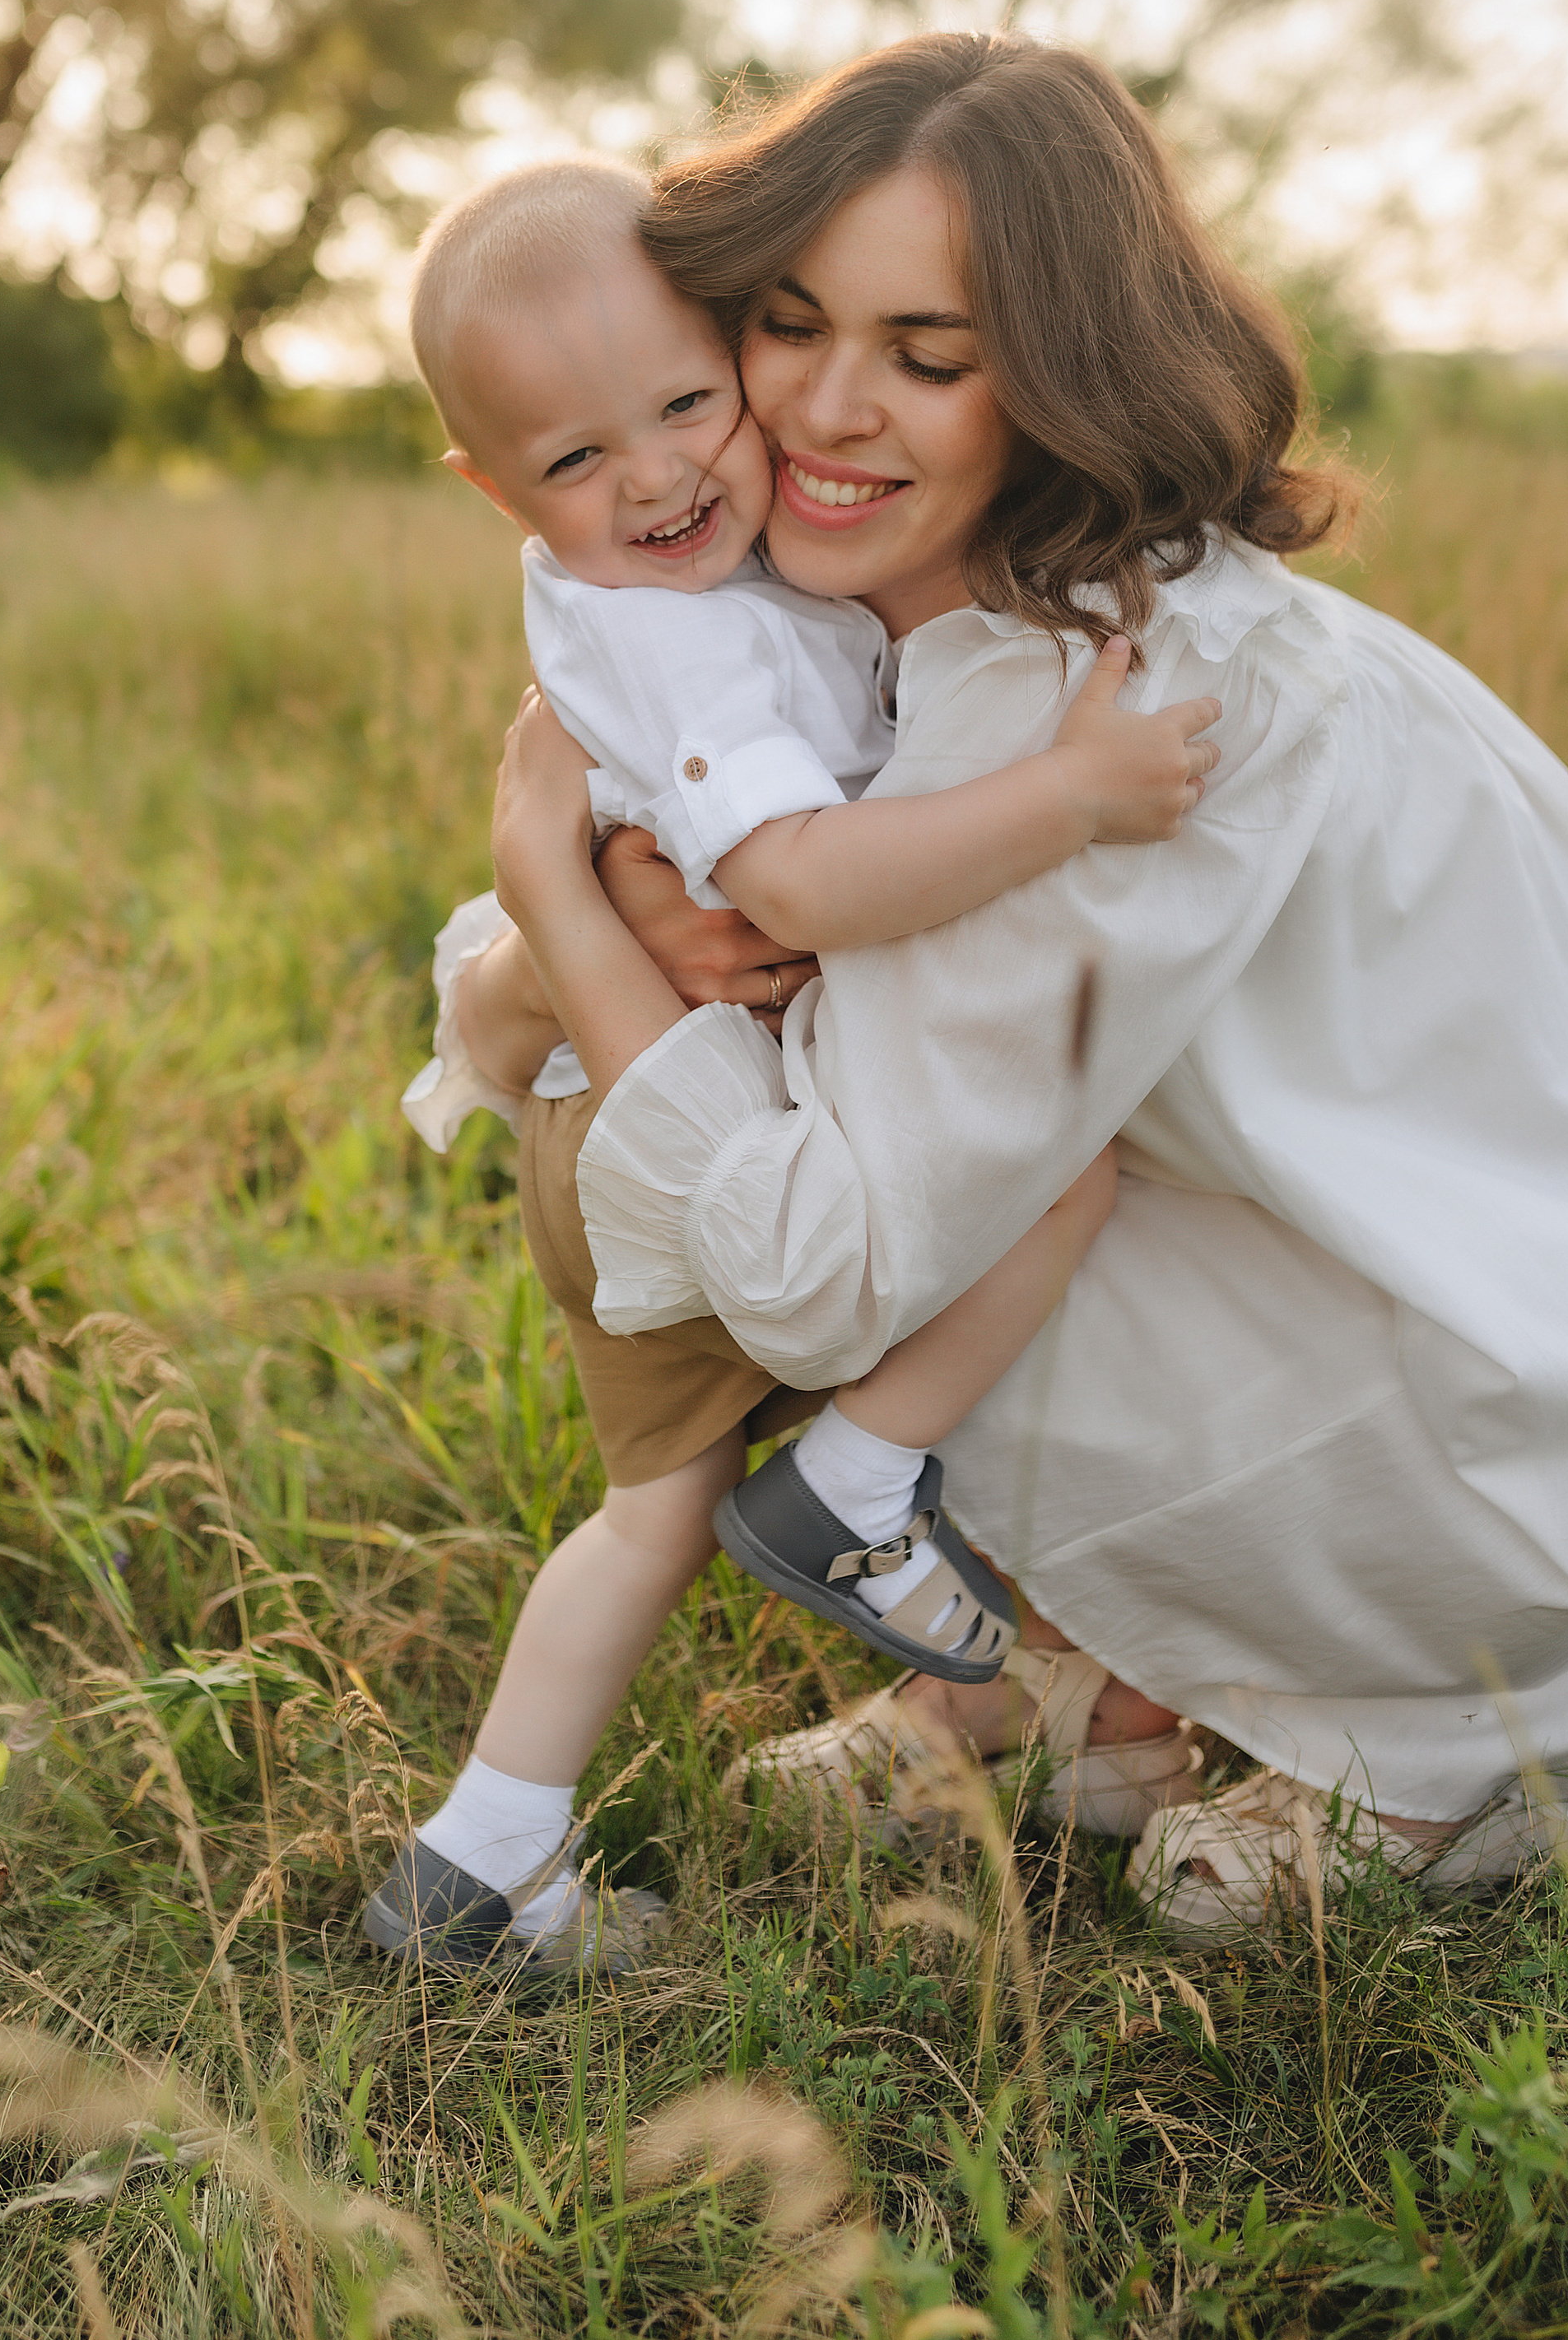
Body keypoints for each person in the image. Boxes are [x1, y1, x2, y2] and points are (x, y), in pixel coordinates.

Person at [462, 32, 1568, 1944]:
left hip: (1528, 1420)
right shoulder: (847, 602)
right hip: (1377, 1252)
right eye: (789, 319)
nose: (821, 404)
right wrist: (521, 983)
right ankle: (1077, 1679)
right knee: (987, 1149)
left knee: (942, 1203)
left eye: (928, 351)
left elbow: (824, 1253)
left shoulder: (1112, 701)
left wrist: (553, 921)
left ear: (1058, 375)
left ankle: (1412, 1744)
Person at [366, 155, 1217, 1971]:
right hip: (658, 1119)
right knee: (1055, 1184)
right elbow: (797, 879)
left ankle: (485, 1855)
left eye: (684, 405)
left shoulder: (689, 583)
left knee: (661, 1508)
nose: (662, 475)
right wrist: (1068, 789)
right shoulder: (675, 637)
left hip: (644, 1099)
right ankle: (838, 1499)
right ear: (487, 485)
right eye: (578, 460)